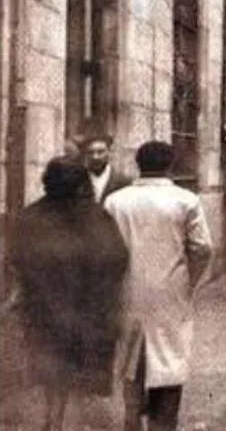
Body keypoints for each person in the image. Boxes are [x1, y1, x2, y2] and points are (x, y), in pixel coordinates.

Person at [6, 156, 129, 431]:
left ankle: (54, 420)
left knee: (52, 373)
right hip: (88, 313)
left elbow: (15, 259)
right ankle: (74, 423)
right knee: (83, 378)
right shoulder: (96, 216)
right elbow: (117, 258)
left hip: (43, 312)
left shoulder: (30, 216)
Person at [104, 141, 214, 431]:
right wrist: (189, 280)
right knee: (168, 365)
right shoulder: (185, 200)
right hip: (170, 294)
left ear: (139, 164)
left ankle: (133, 423)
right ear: (170, 165)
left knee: (131, 364)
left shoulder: (115, 202)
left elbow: (107, 252)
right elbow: (202, 248)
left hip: (128, 293)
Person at [84, 132, 132, 203]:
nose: (95, 157)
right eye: (90, 152)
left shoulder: (123, 181)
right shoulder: (78, 181)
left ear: (109, 152)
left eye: (100, 152)